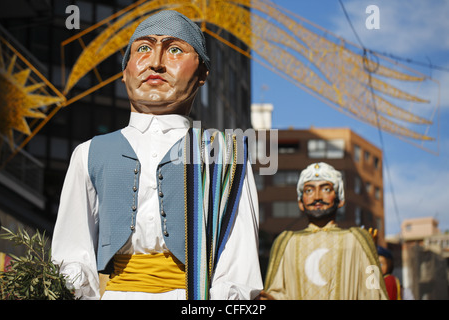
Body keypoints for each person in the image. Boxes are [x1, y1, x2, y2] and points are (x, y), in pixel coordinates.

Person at [51, 10, 262, 300]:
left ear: (202, 74)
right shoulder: (88, 154)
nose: (156, 62)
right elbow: (71, 252)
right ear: (125, 72)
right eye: (143, 49)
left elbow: (240, 264)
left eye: (175, 49)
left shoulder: (226, 153)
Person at [261, 162, 388, 299]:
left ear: (340, 199)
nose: (317, 197)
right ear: (300, 202)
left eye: (326, 189)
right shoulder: (286, 242)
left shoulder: (357, 239)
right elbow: (277, 291)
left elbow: (373, 291)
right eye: (309, 190)